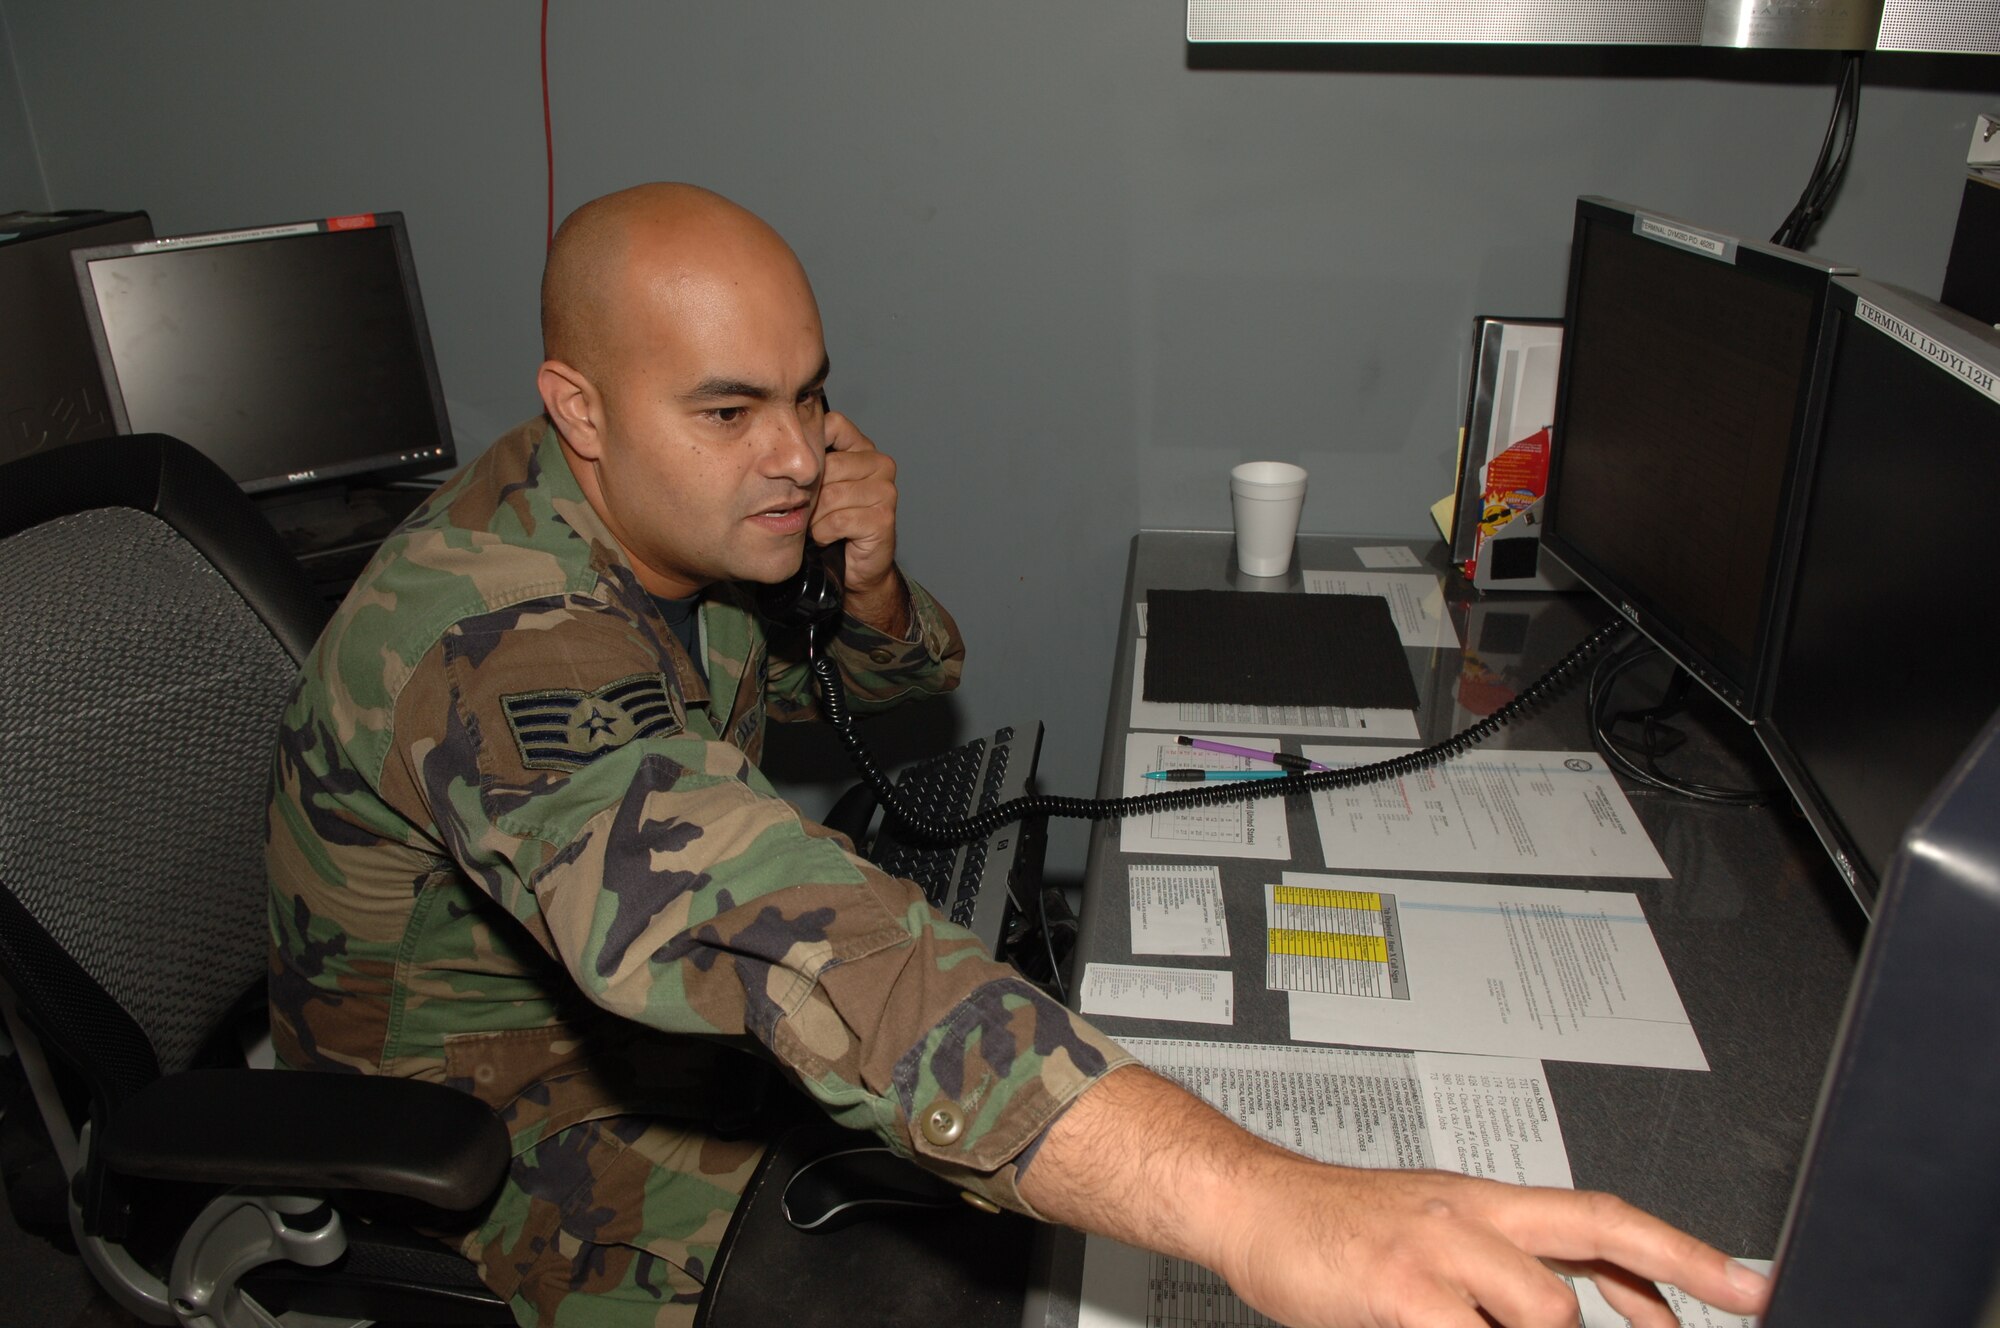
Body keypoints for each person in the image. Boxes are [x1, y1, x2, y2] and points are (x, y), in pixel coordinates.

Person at [267, 182, 1769, 1328]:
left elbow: (869, 691)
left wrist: (855, 585)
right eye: (731, 409)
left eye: (808, 392)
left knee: (1069, 1198)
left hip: (681, 1051)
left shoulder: (665, 514)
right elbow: (749, 912)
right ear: (577, 411)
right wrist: (1260, 1205)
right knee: (1024, 1287)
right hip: (517, 1144)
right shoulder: (491, 634)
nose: (796, 451)